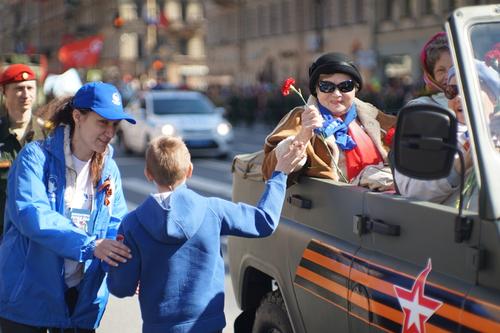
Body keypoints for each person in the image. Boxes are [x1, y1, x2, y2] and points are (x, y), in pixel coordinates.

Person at [107, 135, 306, 333]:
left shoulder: (132, 224)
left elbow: (121, 287)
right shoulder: (212, 210)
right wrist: (280, 174)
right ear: (190, 170)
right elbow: (264, 221)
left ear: (148, 174)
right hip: (207, 324)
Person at [0, 82, 136, 332]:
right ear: (78, 117)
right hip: (28, 301)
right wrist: (91, 245)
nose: (109, 132)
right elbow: (32, 215)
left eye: (114, 125)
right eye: (102, 122)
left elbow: (116, 226)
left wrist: (128, 264)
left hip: (81, 303)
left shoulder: (109, 169)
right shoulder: (34, 158)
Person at [262, 52, 396, 189]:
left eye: (346, 86)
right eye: (327, 86)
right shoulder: (301, 117)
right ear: (316, 89)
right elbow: (270, 172)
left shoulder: (373, 116)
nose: (337, 94)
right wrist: (303, 135)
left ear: (355, 89)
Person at [395, 61, 499, 208]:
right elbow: (411, 191)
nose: (459, 98)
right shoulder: (433, 135)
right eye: (452, 91)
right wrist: (459, 166)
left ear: (493, 98)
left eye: (468, 89)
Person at [0, 64, 47, 240]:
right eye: (19, 89)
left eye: (30, 88)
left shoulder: (49, 134)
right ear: (4, 91)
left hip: (39, 236)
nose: (26, 95)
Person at [407, 31, 452, 108]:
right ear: (431, 76)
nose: (448, 76)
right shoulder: (421, 107)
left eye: (453, 69)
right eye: (441, 70)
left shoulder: (476, 98)